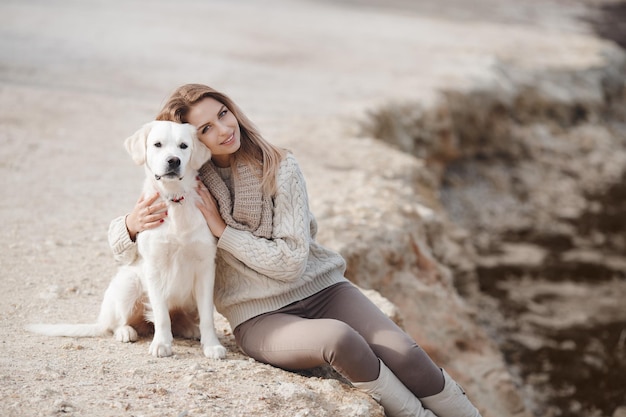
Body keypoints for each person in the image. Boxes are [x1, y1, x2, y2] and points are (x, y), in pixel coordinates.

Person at [108, 84, 482, 417]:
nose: (223, 129)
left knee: (407, 354)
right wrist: (129, 225)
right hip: (258, 315)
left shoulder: (280, 166)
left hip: (323, 290)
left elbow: (290, 264)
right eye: (205, 128)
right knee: (340, 340)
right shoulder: (186, 180)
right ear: (192, 139)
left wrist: (222, 231)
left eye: (223, 114)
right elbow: (134, 252)